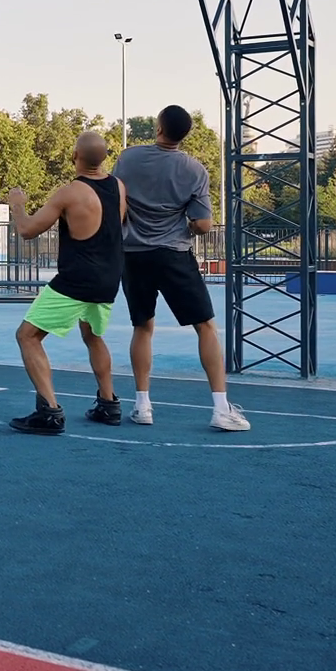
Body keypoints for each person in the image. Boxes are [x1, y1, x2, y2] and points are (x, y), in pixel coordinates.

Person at [113, 105, 249, 432]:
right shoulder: (194, 170)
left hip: (133, 255)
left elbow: (116, 205)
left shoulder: (128, 158)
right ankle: (221, 408)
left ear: (158, 128)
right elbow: (203, 224)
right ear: (184, 135)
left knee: (142, 327)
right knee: (205, 327)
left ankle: (142, 405)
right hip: (174, 255)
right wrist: (183, 226)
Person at [3, 130, 127, 435]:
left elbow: (27, 230)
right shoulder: (119, 187)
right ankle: (108, 404)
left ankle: (49, 411)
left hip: (77, 279)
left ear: (74, 156)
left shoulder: (69, 193)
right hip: (109, 277)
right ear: (105, 158)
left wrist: (17, 205)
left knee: (27, 336)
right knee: (93, 335)